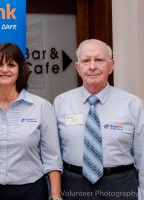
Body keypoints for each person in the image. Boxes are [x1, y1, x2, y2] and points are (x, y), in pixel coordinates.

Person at [0, 42, 63, 200]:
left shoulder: (41, 107)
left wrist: (56, 196)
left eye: (11, 65)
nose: (4, 70)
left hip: (30, 191)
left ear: (20, 70)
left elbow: (52, 157)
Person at [53, 39, 144, 200]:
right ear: (78, 67)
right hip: (73, 186)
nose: (92, 66)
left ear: (111, 65)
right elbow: (53, 154)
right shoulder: (61, 102)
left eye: (99, 60)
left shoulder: (133, 105)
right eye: (86, 60)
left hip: (120, 185)